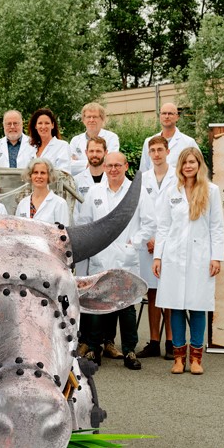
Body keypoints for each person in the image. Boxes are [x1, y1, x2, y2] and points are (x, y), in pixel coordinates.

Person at [76, 152, 155, 370]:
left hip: (126, 258)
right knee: (96, 305)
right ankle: (94, 349)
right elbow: (85, 222)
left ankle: (129, 350)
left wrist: (133, 243)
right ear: (104, 167)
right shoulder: (95, 192)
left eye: (117, 165)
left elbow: (149, 223)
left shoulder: (136, 192)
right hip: (100, 257)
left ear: (125, 166)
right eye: (109, 165)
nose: (113, 169)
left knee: (127, 307)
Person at [153, 147, 224, 375]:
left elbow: (217, 227)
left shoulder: (211, 191)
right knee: (175, 306)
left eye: (192, 162)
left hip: (200, 257)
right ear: (180, 166)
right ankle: (178, 358)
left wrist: (216, 257)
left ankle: (195, 359)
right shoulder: (171, 191)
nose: (188, 166)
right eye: (185, 162)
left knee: (198, 306)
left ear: (199, 164)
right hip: (173, 256)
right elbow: (163, 227)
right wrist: (158, 257)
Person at [135, 136, 177, 361]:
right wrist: (149, 239)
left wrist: (162, 241)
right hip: (148, 245)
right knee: (152, 293)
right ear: (149, 153)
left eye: (160, 149)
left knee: (167, 293)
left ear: (168, 151)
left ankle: (171, 341)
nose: (156, 154)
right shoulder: (142, 178)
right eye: (152, 150)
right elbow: (139, 213)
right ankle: (154, 341)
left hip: (169, 243)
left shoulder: (177, 177)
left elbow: (178, 213)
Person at [72, 136, 107, 276]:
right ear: (86, 153)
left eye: (98, 151)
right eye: (91, 151)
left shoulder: (111, 180)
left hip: (104, 237)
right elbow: (73, 210)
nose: (94, 155)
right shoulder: (76, 180)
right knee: (82, 279)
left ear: (106, 152)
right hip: (83, 237)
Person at [138, 102, 198, 173]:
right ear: (160, 116)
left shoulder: (188, 142)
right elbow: (144, 170)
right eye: (164, 113)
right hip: (153, 183)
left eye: (170, 113)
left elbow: (199, 168)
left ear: (177, 117)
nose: (166, 116)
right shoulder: (148, 142)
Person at [69, 102, 120, 176]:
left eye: (95, 117)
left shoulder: (111, 138)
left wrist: (79, 164)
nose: (91, 120)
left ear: (102, 119)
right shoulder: (75, 140)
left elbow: (109, 163)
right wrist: (94, 163)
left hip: (104, 181)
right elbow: (69, 166)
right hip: (80, 183)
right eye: (88, 117)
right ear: (83, 120)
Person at [15, 158, 69, 226]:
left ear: (49, 176)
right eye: (35, 172)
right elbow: (17, 230)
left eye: (43, 173)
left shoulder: (60, 203)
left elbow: (63, 233)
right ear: (30, 176)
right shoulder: (22, 204)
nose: (39, 176)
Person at [28, 108, 71, 174]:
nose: (43, 126)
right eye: (40, 123)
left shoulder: (62, 146)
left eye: (47, 123)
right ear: (35, 126)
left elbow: (64, 173)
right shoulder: (31, 148)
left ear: (52, 125)